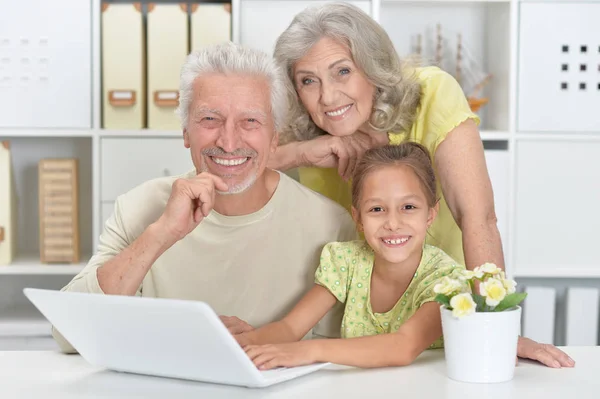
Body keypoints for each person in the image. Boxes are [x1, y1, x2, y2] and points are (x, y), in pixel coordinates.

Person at [266, 2, 574, 368]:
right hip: (356, 337)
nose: (328, 97)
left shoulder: (432, 93)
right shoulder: (303, 130)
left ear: (373, 67)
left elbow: (478, 216)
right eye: (308, 80)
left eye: (343, 71)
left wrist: (493, 326)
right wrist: (300, 152)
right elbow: (235, 170)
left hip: (449, 313)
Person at [52, 42, 357, 353]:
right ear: (186, 131)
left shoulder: (330, 226)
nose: (228, 142)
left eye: (250, 121)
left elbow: (339, 352)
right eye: (210, 119)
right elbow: (67, 334)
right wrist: (161, 233)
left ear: (275, 137)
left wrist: (261, 343)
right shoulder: (138, 207)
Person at [235, 143, 465, 369]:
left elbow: (403, 346)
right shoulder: (345, 261)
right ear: (358, 218)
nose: (393, 223)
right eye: (376, 209)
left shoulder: (446, 281)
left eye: (408, 207)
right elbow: (290, 328)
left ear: (430, 215)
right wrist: (240, 344)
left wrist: (311, 351)